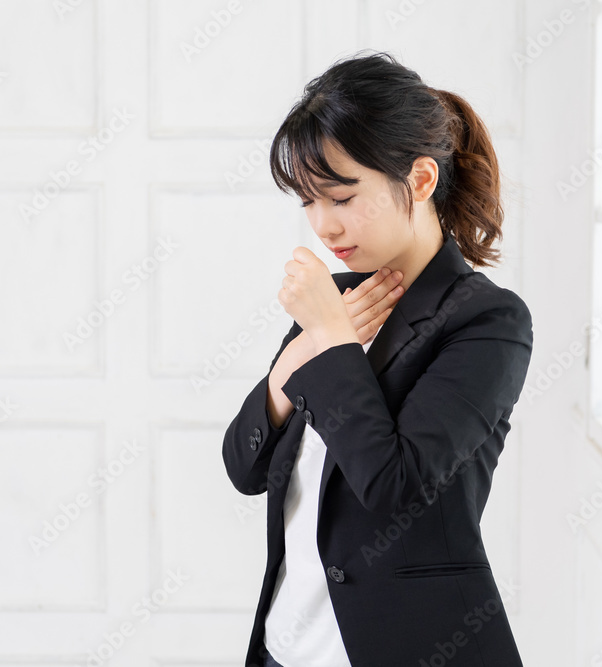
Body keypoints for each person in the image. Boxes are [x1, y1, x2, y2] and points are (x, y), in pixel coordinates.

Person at [222, 51, 533, 666]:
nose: (323, 227)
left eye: (341, 197)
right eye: (308, 202)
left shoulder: (488, 320)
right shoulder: (336, 299)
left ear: (420, 180)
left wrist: (331, 339)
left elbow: (395, 487)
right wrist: (292, 365)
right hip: (286, 647)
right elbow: (244, 468)